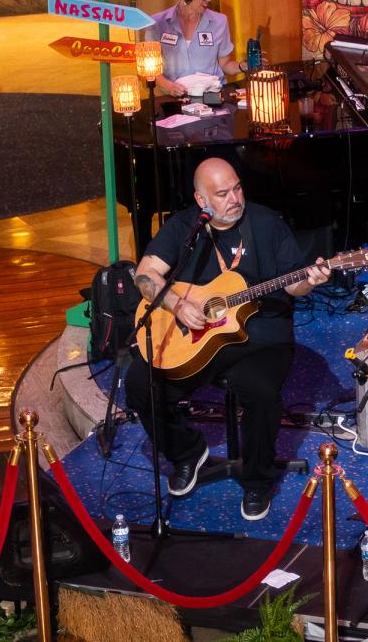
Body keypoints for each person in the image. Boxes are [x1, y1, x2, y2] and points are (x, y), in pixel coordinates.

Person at [126, 157, 331, 520]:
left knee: (261, 392)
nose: (235, 198)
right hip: (197, 338)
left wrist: (309, 281)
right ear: (201, 200)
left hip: (260, 334)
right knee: (140, 383)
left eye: (237, 188)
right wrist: (175, 304)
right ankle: (187, 453)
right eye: (222, 194)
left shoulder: (266, 223)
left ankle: (257, 480)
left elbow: (295, 284)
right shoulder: (185, 226)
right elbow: (146, 273)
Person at [145, 0, 251, 98]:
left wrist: (242, 66)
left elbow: (225, 64)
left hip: (212, 98)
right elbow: (150, 71)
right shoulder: (158, 23)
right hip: (175, 99)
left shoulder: (219, 22)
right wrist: (168, 86)